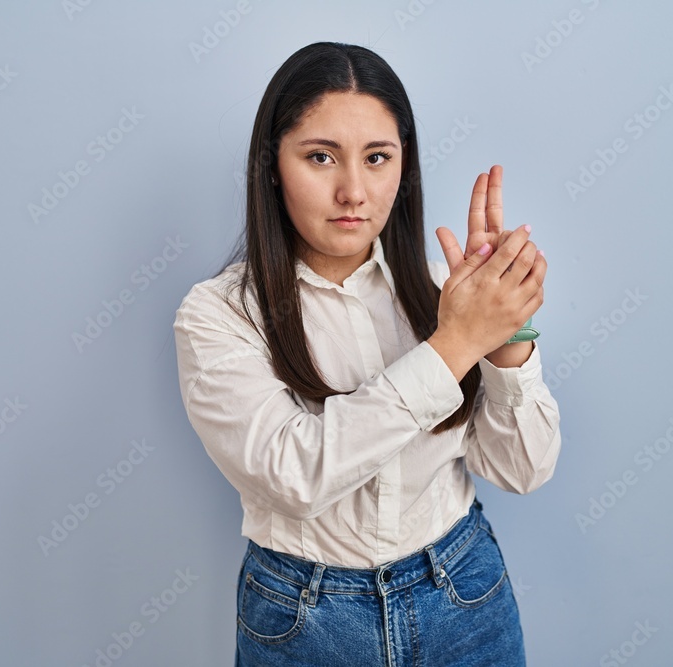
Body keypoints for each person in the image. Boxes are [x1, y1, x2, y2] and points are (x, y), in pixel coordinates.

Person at [174, 41, 561, 666]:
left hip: (463, 595)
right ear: (272, 165)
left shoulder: (446, 291)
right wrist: (456, 343)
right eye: (320, 157)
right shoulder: (218, 314)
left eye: (377, 158)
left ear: (403, 168)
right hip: (307, 617)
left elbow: (523, 469)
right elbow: (294, 477)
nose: (353, 191)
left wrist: (507, 334)